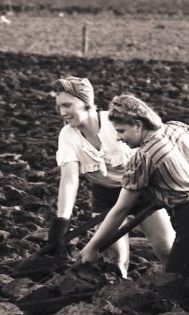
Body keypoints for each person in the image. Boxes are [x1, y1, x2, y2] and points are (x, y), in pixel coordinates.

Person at [79, 94, 189, 315]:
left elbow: (120, 210)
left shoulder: (143, 157)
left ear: (137, 124)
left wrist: (93, 247)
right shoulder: (175, 129)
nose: (119, 138)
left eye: (121, 131)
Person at [49, 76, 175, 276]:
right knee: (114, 258)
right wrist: (61, 223)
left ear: (87, 103)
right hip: (105, 195)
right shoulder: (67, 135)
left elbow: (155, 148)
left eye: (67, 105)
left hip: (142, 191)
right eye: (59, 107)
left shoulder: (115, 123)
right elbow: (69, 179)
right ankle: (118, 294)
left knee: (166, 248)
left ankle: (182, 291)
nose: (63, 112)